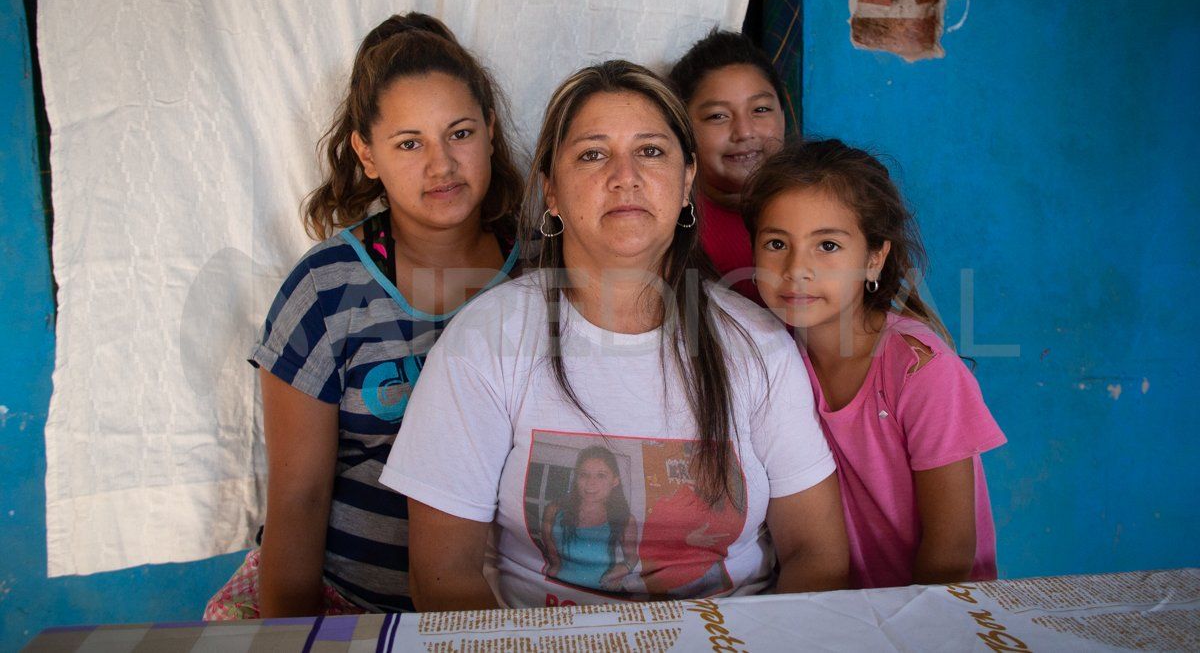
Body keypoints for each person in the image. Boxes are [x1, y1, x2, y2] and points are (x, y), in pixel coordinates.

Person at [382, 60, 848, 611]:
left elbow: (818, 555)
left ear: (686, 181)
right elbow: (442, 576)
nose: (624, 176)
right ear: (551, 191)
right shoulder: (483, 343)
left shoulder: (757, 345)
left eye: (650, 151)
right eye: (592, 154)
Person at [203, 12, 523, 618]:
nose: (441, 165)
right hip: (347, 602)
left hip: (499, 607)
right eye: (409, 143)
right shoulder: (326, 290)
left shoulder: (539, 277)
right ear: (366, 153)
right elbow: (299, 499)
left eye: (459, 134)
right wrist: (296, 637)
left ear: (489, 130)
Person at [742, 139, 1007, 589]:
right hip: (834, 611)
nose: (796, 269)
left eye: (826, 245)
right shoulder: (770, 357)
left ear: (874, 258)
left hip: (934, 617)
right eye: (775, 243)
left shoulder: (920, 371)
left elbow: (951, 552)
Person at [668, 30, 789, 302]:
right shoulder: (672, 230)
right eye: (718, 116)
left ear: (783, 114)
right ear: (682, 130)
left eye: (760, 110)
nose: (744, 132)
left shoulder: (822, 209)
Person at [539, 446, 639, 593]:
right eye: (584, 475)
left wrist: (623, 569)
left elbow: (632, 558)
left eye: (601, 475)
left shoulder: (625, 520)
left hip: (602, 594)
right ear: (576, 478)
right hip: (556, 592)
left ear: (615, 481)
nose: (591, 483)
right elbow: (553, 561)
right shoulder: (553, 512)